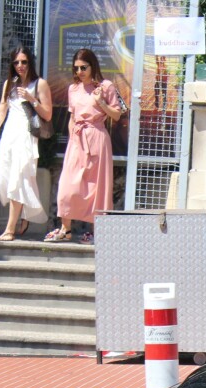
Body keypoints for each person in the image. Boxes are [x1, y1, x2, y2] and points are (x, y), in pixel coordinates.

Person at [47, 48, 122, 245]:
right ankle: (66, 228)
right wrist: (73, 137)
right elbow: (73, 116)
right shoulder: (73, 89)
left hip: (97, 138)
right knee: (68, 184)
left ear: (92, 66)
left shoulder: (105, 86)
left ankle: (96, 231)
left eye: (83, 67)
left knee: (97, 186)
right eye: (76, 68)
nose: (80, 71)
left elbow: (116, 115)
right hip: (78, 139)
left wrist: (101, 103)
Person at [0, 46, 52, 241]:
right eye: (17, 62)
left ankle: (10, 229)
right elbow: (2, 111)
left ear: (30, 63)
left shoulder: (40, 84)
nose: (20, 66)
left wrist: (31, 99)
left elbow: (47, 113)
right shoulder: (9, 84)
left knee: (18, 180)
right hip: (9, 135)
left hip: (26, 136)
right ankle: (24, 213)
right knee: (3, 179)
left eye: (24, 62)